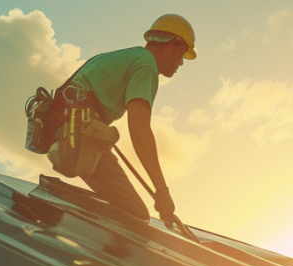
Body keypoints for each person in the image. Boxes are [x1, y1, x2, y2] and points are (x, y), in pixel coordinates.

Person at [57, 14, 195, 225]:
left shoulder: (129, 56)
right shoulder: (146, 65)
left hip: (70, 127)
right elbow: (139, 130)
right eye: (183, 52)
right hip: (80, 131)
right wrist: (162, 191)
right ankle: (62, 212)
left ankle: (59, 201)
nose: (181, 62)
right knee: (134, 214)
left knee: (126, 206)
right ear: (173, 43)